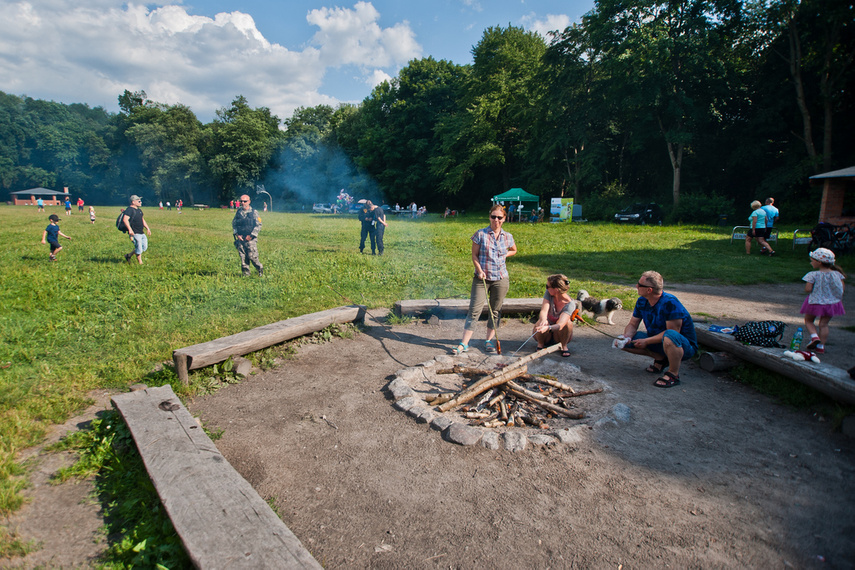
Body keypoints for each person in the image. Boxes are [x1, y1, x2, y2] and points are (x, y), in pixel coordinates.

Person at [453, 204, 518, 355]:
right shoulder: (480, 234)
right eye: (493, 217)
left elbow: (514, 250)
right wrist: (479, 270)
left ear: (504, 219)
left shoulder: (507, 236)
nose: (496, 220)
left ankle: (489, 341)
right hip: (482, 278)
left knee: (495, 311)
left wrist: (505, 255)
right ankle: (464, 343)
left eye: (499, 217)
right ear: (489, 217)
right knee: (474, 310)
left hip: (501, 278)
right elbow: (474, 255)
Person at [618, 270, 697, 388]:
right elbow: (633, 324)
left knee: (670, 336)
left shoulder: (670, 303)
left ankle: (673, 374)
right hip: (659, 341)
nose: (636, 286)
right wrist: (627, 336)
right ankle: (660, 359)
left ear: (649, 290)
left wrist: (646, 341)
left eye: (640, 285)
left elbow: (673, 333)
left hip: (682, 346)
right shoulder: (642, 301)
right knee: (623, 343)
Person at [800, 248, 845, 354]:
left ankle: (814, 337)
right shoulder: (838, 274)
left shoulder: (813, 275)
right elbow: (841, 289)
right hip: (831, 303)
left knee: (809, 321)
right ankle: (821, 347)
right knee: (824, 324)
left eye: (812, 260)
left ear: (819, 262)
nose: (811, 262)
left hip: (815, 302)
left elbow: (808, 289)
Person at [532, 274, 577, 357]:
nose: (546, 288)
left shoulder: (570, 304)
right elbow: (544, 310)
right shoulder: (549, 293)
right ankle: (540, 343)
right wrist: (543, 320)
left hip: (559, 335)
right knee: (542, 321)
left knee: (568, 323)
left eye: (547, 286)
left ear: (556, 289)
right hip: (546, 334)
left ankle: (563, 345)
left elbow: (561, 325)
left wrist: (548, 328)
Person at [232, 194, 264, 276]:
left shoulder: (254, 212)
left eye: (245, 201)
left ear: (249, 201)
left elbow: (259, 225)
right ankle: (246, 275)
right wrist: (237, 234)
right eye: (241, 201)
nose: (243, 203)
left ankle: (260, 270)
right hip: (241, 238)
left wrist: (251, 235)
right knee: (243, 258)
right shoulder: (238, 212)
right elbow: (234, 224)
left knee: (252, 257)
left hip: (250, 239)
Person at [122, 195, 152, 265]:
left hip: (141, 232)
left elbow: (142, 220)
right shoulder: (129, 210)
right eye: (139, 201)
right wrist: (130, 230)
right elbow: (125, 219)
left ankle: (128, 255)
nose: (141, 202)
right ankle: (140, 262)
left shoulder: (139, 210)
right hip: (134, 233)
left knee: (144, 247)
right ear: (133, 202)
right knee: (139, 247)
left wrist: (147, 228)